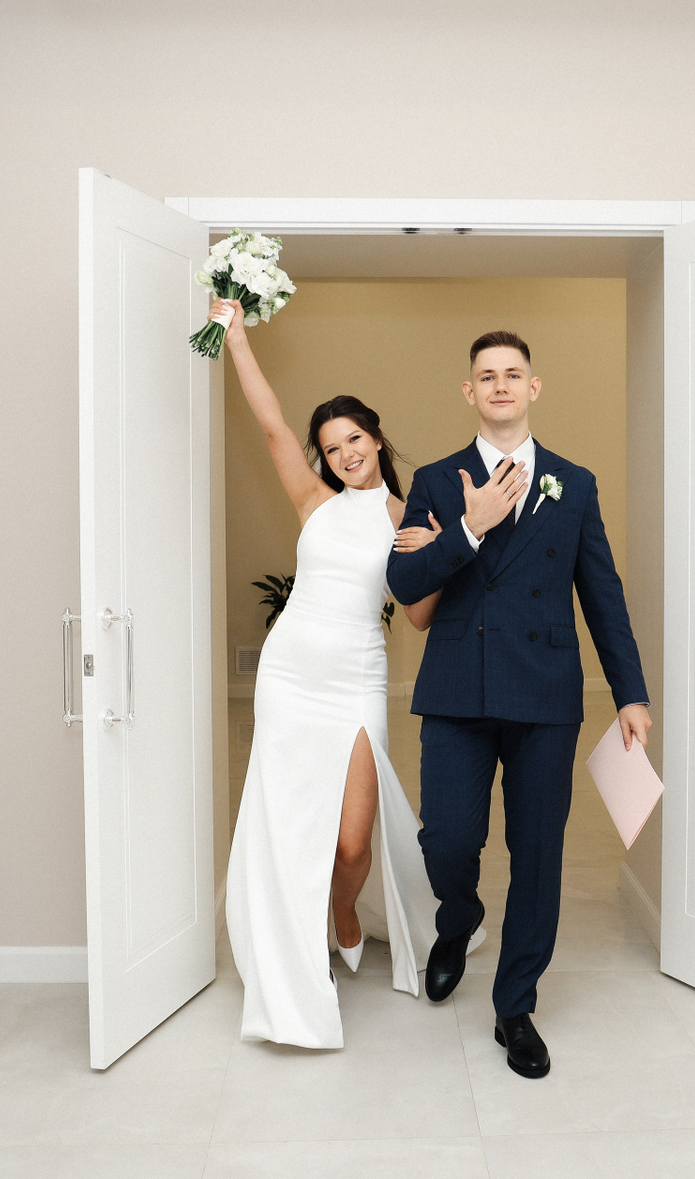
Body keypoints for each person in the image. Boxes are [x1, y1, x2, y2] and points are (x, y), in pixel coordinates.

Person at [386, 330, 651, 1080]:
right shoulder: (436, 483)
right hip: (456, 692)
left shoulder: (575, 483)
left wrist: (629, 692)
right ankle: (459, 916)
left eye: (513, 373)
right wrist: (469, 527)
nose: (500, 384)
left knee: (537, 854)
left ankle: (515, 1005)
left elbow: (602, 594)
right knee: (447, 841)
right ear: (469, 392)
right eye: (486, 375)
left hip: (544, 693)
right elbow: (405, 586)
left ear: (533, 388)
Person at [216, 299, 463, 1049]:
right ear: (322, 458)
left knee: (354, 840)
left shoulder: (409, 516)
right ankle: (299, 955)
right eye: (332, 446)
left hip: (357, 680)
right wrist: (236, 336)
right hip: (290, 675)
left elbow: (418, 617)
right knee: (296, 822)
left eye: (354, 437)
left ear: (376, 437)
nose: (346, 452)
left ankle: (344, 910)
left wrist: (442, 553)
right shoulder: (313, 501)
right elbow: (270, 423)